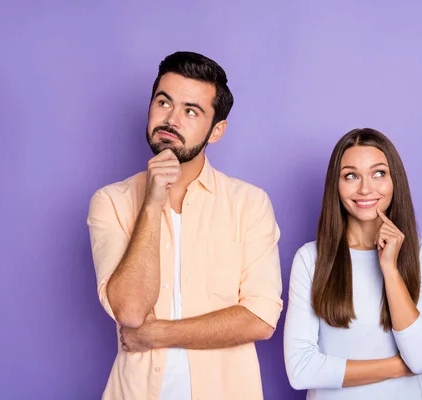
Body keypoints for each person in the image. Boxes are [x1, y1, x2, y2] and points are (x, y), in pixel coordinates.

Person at [87, 51, 283, 400]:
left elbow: (260, 318)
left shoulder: (249, 203)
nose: (172, 119)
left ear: (217, 130)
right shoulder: (111, 202)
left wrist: (156, 334)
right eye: (164, 102)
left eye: (191, 111)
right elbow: (130, 311)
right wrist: (152, 202)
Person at [283, 128, 422, 399]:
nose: (365, 188)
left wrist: (390, 269)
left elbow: (420, 357)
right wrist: (397, 367)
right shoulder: (311, 259)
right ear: (336, 185)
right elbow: (300, 369)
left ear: (395, 181)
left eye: (379, 173)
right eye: (351, 176)